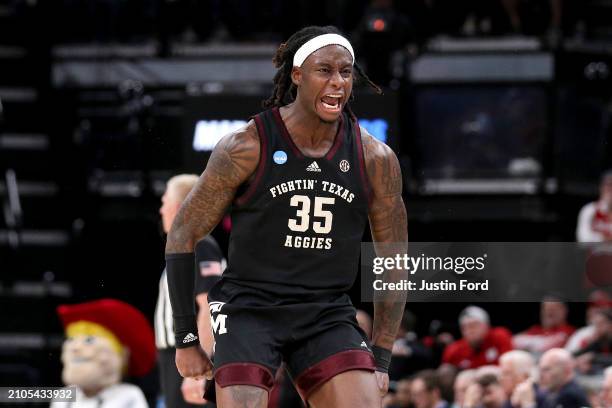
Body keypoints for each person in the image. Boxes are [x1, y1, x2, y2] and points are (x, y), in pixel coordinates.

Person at [164, 25, 408, 408]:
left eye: (346, 72)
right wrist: (186, 339)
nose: (338, 82)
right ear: (297, 75)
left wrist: (381, 355)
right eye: (324, 70)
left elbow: (394, 260)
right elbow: (182, 234)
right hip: (249, 307)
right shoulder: (246, 145)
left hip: (325, 311)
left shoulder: (375, 158)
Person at [156, 174, 225, 407]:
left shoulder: (200, 245)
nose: (161, 210)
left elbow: (209, 306)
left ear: (176, 207)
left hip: (189, 355)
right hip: (178, 356)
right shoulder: (190, 247)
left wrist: (196, 369)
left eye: (164, 202)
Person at [52, 299, 156, 407]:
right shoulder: (64, 397)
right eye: (71, 340)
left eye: (89, 340)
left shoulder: (128, 395)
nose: (75, 348)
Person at [442, 306, 513, 369]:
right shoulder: (454, 350)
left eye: (473, 325)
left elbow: (510, 364)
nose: (469, 331)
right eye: (464, 327)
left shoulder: (499, 336)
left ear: (486, 325)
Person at [577, 170, 612, 242]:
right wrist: (606, 239)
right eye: (608, 185)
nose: (610, 189)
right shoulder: (590, 210)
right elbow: (584, 239)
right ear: (601, 187)